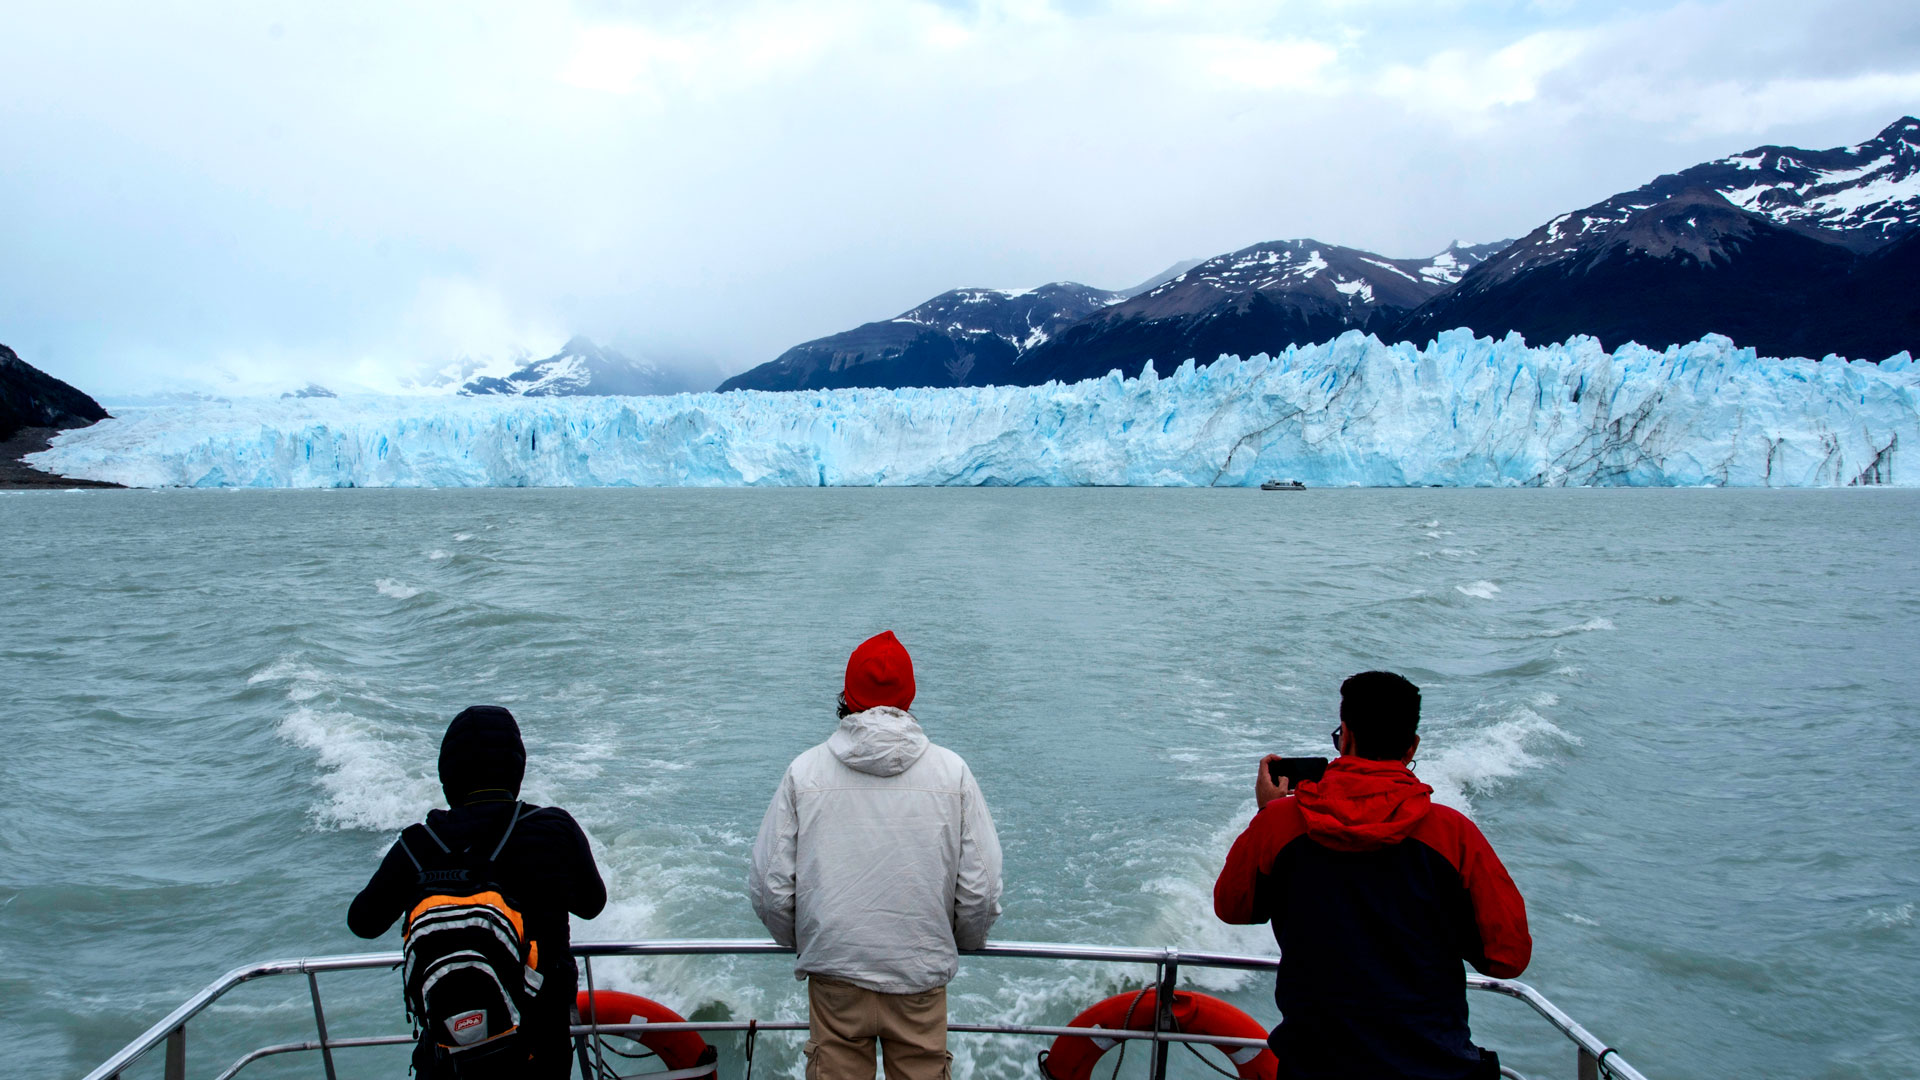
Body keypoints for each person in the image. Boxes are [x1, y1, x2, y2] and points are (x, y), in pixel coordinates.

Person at [1213, 672, 1531, 1080]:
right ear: (1412, 745)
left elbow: (1233, 908)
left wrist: (1265, 814)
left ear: (1344, 736)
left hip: (1315, 1064)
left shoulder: (1280, 824)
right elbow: (1507, 958)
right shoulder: (1453, 834)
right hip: (1434, 1067)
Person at [749, 630, 1004, 1080]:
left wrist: (810, 939)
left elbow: (770, 889)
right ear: (909, 696)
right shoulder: (953, 773)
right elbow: (979, 893)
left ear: (846, 695)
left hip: (835, 980)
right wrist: (960, 942)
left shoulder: (803, 771)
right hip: (919, 979)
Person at [349, 705, 607, 1079]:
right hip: (539, 1049)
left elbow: (363, 922)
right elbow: (592, 905)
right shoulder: (553, 828)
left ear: (447, 775)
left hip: (449, 1054)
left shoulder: (419, 845)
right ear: (517, 768)